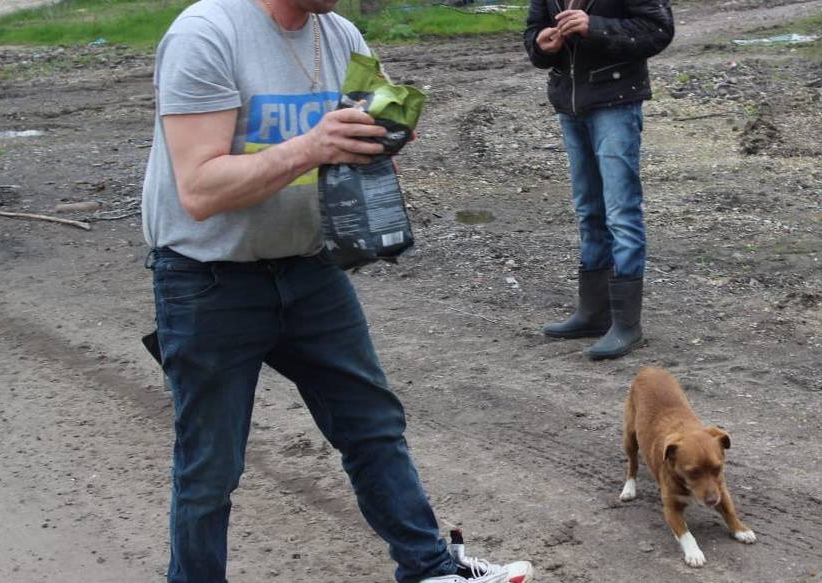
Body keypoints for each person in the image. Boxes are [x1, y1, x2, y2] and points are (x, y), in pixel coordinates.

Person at [140, 1, 534, 582]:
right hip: (209, 280)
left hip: (309, 270)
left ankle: (429, 569)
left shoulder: (342, 35)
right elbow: (198, 188)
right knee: (210, 470)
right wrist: (310, 145)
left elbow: (350, 141)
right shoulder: (207, 33)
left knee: (373, 427)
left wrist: (382, 136)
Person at [524, 0, 674, 360]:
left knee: (621, 211)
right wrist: (540, 44)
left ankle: (627, 324)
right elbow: (533, 32)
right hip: (570, 106)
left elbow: (658, 30)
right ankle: (593, 313)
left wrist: (595, 27)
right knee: (588, 209)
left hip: (616, 103)